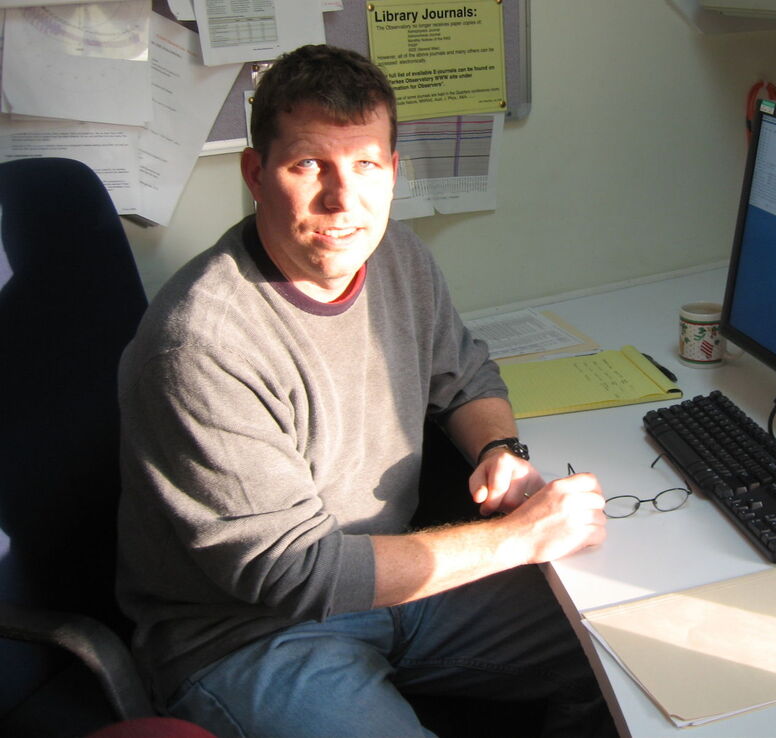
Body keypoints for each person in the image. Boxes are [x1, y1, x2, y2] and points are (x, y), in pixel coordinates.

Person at [116, 44, 615, 737]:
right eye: (308, 165)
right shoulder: (200, 343)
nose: (342, 199)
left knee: (626, 648)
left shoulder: (397, 258)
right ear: (255, 174)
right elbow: (299, 576)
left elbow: (463, 375)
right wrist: (517, 539)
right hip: (247, 637)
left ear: (393, 173)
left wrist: (497, 446)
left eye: (366, 166)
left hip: (392, 583)